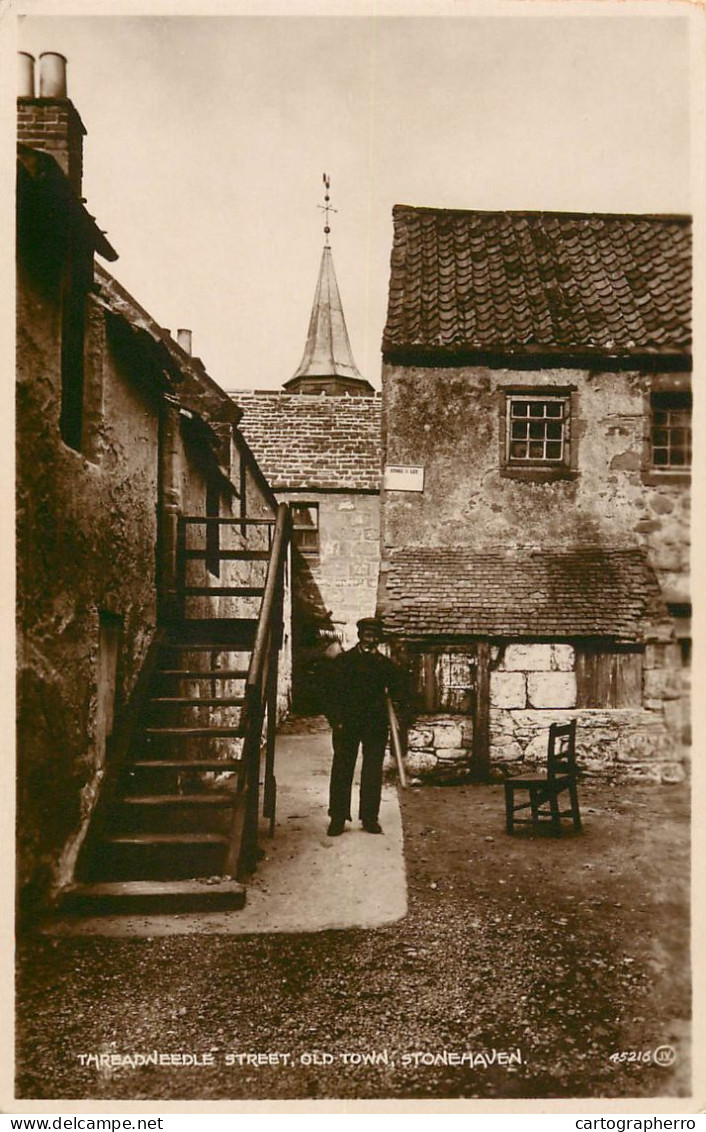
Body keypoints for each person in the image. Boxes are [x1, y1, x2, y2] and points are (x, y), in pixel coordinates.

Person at [323, 617, 405, 837]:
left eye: (375, 634)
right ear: (360, 635)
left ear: (378, 638)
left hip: (375, 725)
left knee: (372, 771)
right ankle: (338, 818)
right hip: (347, 724)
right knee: (342, 768)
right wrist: (335, 720)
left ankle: (369, 817)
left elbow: (399, 692)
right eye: (367, 633)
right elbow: (328, 694)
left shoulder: (385, 665)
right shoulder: (344, 661)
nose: (371, 637)